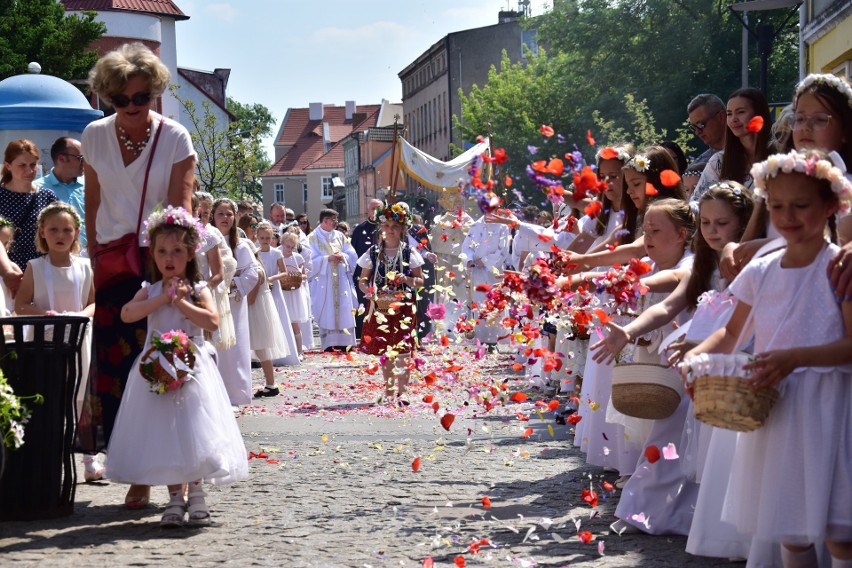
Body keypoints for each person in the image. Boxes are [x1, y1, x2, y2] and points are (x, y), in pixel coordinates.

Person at [685, 150, 852, 567]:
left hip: (829, 406)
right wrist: (696, 357)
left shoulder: (839, 269)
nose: (788, 216)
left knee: (839, 533)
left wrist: (795, 358)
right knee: (791, 529)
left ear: (831, 206)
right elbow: (730, 331)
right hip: (777, 407)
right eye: (777, 206)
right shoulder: (761, 270)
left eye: (802, 205)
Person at [590, 185, 754, 539]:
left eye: (721, 223)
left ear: (743, 224)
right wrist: (628, 332)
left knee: (717, 447)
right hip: (691, 364)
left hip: (731, 363)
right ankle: (643, 510)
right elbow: (667, 305)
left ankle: (715, 523)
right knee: (671, 436)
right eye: (706, 222)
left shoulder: (749, 265)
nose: (711, 231)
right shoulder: (702, 265)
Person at [77, 42, 196, 510]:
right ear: (107, 97)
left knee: (164, 366)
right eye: (120, 100)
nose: (130, 108)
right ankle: (136, 472)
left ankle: (174, 472)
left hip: (158, 260)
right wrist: (94, 264)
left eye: (140, 98)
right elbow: (91, 207)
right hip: (110, 266)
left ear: (155, 95)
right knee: (118, 374)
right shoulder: (93, 136)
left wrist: (172, 272)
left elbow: (181, 211)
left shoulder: (176, 138)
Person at [106, 206, 248, 527]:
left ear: (189, 254)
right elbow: (128, 313)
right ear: (153, 254)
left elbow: (211, 321)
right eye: (162, 251)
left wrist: (182, 301)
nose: (169, 258)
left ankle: (196, 493)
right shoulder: (151, 288)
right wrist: (161, 299)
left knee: (194, 428)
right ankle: (174, 497)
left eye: (177, 251)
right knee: (167, 433)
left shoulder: (198, 290)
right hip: (157, 370)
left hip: (192, 369)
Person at [14, 202, 97, 478]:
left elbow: (93, 302)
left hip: (79, 338)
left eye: (66, 230)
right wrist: (45, 314)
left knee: (81, 394)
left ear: (76, 232)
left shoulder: (85, 267)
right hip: (47, 340)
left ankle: (88, 459)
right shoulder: (35, 267)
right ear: (42, 232)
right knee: (52, 395)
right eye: (53, 230)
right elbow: (22, 304)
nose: (60, 235)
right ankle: (52, 456)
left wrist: (80, 315)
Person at [356, 202, 424, 403]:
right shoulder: (373, 253)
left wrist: (407, 280)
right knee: (386, 351)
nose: (390, 230)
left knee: (403, 351)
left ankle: (402, 392)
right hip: (381, 307)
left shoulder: (409, 252)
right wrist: (368, 290)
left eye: (394, 227)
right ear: (381, 228)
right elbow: (362, 279)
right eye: (386, 226)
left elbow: (420, 281)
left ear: (402, 229)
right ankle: (388, 390)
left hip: (403, 307)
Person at [212, 198, 257, 405]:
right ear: (213, 216)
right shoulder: (206, 241)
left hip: (234, 303)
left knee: (235, 347)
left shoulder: (242, 245)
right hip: (212, 301)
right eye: (220, 213)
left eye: (229, 214)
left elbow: (253, 272)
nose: (225, 218)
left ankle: (237, 394)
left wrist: (233, 283)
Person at [691, 87, 772, 203]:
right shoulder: (718, 162)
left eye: (741, 112)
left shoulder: (781, 155)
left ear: (759, 114)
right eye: (729, 114)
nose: (734, 119)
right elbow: (697, 204)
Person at [0, 140, 58, 277]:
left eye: (33, 165)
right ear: (8, 166)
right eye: (22, 165)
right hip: (5, 270)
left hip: (41, 270)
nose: (29, 170)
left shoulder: (47, 197)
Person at [307, 208, 358, 351]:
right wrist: (327, 259)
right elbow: (309, 261)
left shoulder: (340, 236)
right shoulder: (312, 237)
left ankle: (345, 342)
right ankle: (329, 343)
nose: (336, 223)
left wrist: (344, 257)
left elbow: (351, 253)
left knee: (344, 307)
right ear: (325, 221)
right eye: (334, 220)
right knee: (328, 307)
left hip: (341, 279)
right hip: (324, 281)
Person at [192, 191, 235, 350]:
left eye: (205, 214)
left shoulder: (210, 235)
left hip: (204, 289)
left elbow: (225, 266)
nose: (201, 217)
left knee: (205, 342)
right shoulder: (181, 233)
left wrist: (205, 289)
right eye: (198, 212)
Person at [254, 221, 300, 368]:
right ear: (257, 238)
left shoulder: (276, 253)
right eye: (262, 238)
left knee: (277, 317)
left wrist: (273, 278)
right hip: (260, 288)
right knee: (263, 319)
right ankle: (263, 355)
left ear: (272, 238)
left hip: (274, 289)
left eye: (268, 238)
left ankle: (282, 353)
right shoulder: (255, 253)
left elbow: (284, 271)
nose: (265, 241)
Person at [461, 212, 510, 347]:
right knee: (480, 302)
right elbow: (466, 247)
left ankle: (495, 339)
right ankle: (481, 338)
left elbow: (503, 250)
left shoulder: (502, 227)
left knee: (495, 302)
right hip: (477, 271)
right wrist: (469, 259)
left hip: (495, 271)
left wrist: (486, 261)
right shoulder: (475, 225)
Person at [35, 137, 87, 250]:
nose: (85, 162)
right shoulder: (37, 189)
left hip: (88, 258)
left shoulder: (91, 186)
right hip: (52, 260)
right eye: (81, 158)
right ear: (62, 158)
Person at [351, 199, 383, 338]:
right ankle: (362, 333)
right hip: (363, 271)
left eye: (378, 208)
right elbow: (353, 252)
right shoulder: (360, 229)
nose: (375, 211)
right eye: (373, 208)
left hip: (383, 271)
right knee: (363, 302)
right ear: (368, 210)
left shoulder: (387, 227)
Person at [279, 231, 310, 359]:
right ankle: (284, 351)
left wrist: (298, 276)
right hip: (282, 291)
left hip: (294, 293)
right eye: (288, 247)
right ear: (282, 243)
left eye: (293, 247)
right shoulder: (277, 255)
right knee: (281, 322)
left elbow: (304, 274)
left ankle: (299, 351)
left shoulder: (297, 257)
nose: (290, 250)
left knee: (294, 322)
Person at [686, 94, 727, 164]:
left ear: (721, 117)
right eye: (693, 127)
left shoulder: (750, 150)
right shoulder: (698, 168)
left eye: (700, 125)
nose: (697, 132)